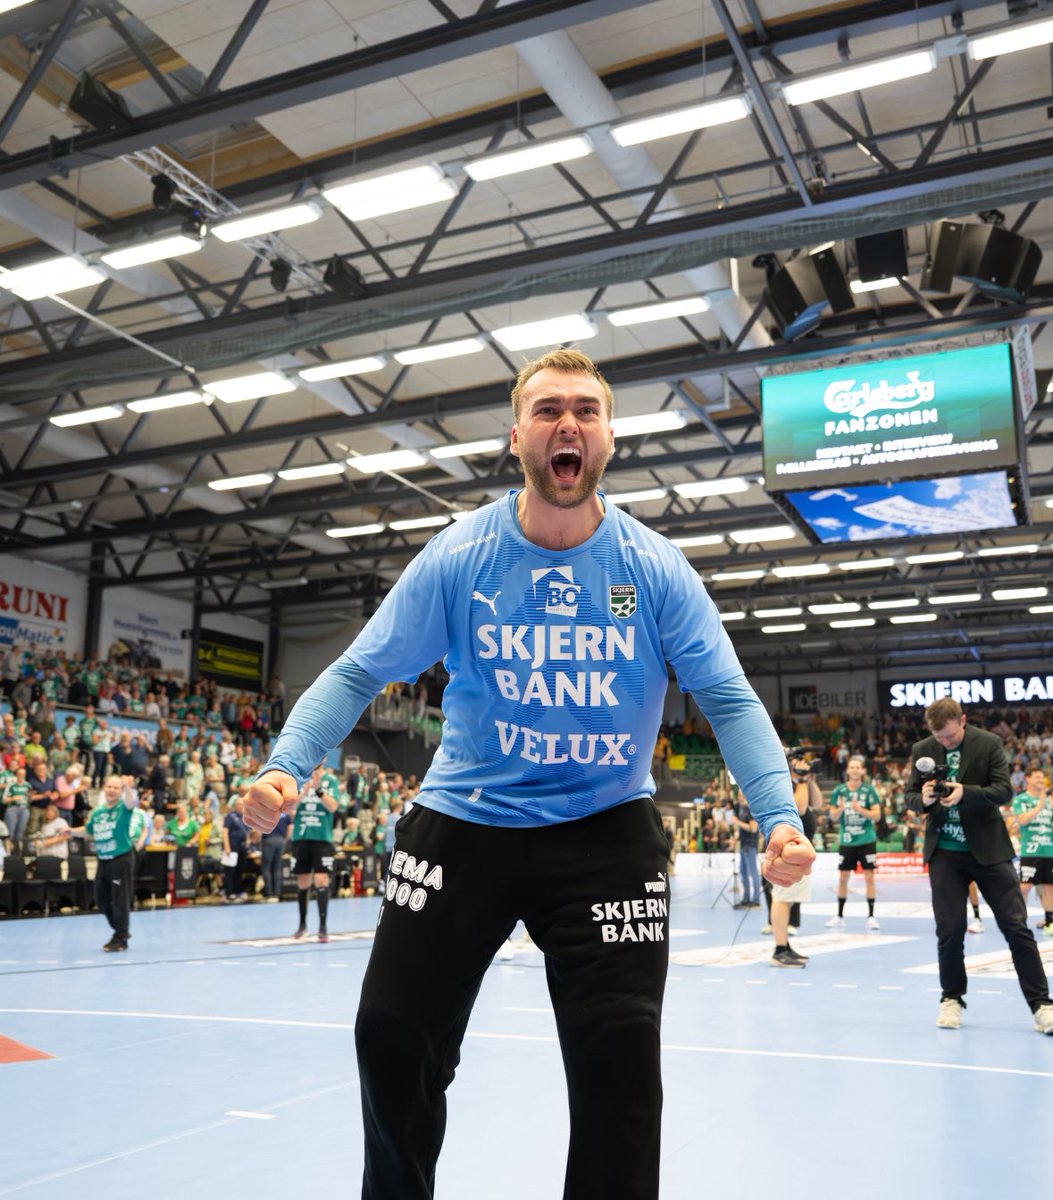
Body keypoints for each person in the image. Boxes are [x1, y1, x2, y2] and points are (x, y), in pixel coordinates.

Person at [245, 347, 813, 1200]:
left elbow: (728, 698)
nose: (567, 424)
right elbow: (359, 670)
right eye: (547, 410)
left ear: (608, 438)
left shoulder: (653, 568)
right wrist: (287, 767)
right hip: (463, 821)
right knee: (392, 1039)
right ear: (517, 437)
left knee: (620, 1066)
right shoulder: (462, 556)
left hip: (604, 831)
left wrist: (779, 817)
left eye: (585, 410)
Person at [905, 698, 1053, 1034]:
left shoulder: (988, 743)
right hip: (944, 853)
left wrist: (964, 793)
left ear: (963, 720)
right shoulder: (922, 750)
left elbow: (1003, 792)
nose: (945, 743)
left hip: (989, 850)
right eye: (939, 738)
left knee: (1016, 928)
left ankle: (1042, 1004)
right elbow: (910, 796)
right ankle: (951, 998)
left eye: (950, 736)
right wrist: (923, 800)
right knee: (950, 930)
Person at [68, 775, 138, 952]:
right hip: (104, 860)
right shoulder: (98, 812)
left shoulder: (123, 808)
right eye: (109, 787)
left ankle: (121, 937)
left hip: (120, 859)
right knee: (100, 898)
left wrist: (126, 786)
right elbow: (88, 830)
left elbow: (132, 801)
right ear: (104, 789)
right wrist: (69, 831)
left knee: (119, 898)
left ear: (120, 791)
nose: (111, 790)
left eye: (116, 787)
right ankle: (121, 930)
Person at [770, 756, 820, 967]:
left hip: (797, 850)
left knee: (788, 900)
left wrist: (809, 780)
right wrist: (800, 780)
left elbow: (817, 803)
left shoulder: (800, 784)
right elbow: (800, 808)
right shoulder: (784, 784)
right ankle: (779, 950)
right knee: (782, 898)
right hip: (787, 850)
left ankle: (785, 946)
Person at [825, 754, 882, 931]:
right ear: (847, 770)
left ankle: (871, 916)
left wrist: (860, 810)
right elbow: (832, 816)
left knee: (869, 877)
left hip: (867, 840)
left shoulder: (869, 790)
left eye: (858, 767)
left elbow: (877, 816)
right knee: (843, 878)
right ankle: (839, 916)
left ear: (862, 771)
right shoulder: (839, 791)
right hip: (847, 841)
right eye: (852, 767)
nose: (855, 770)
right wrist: (841, 809)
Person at [287, 765, 338, 942]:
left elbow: (333, 807)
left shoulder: (331, 780)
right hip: (301, 836)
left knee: (321, 879)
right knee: (303, 881)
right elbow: (290, 809)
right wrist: (305, 790)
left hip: (322, 837)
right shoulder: (298, 777)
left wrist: (318, 790)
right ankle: (302, 926)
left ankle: (323, 928)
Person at [1009, 766, 1053, 935]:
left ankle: (1050, 922)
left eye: (1042, 777)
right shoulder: (1022, 799)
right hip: (1031, 850)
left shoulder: (1050, 800)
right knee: (1024, 887)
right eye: (1037, 777)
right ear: (1027, 779)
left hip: (1049, 850)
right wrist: (1040, 806)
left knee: (1049, 887)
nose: (1041, 780)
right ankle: (1020, 921)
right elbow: (1023, 820)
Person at [730, 797, 760, 908]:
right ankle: (746, 899)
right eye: (738, 795)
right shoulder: (740, 809)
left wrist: (737, 822)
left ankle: (756, 900)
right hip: (743, 844)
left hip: (750, 845)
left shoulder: (751, 809)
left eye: (742, 795)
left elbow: (753, 828)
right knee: (743, 873)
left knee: (753, 872)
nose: (740, 798)